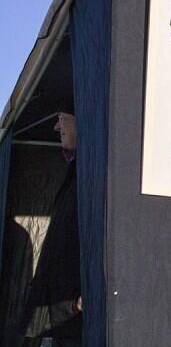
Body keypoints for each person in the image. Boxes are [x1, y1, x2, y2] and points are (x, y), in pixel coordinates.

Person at [20, 110, 82, 347]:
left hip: (73, 317)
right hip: (62, 316)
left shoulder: (92, 174)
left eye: (62, 118)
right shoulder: (75, 174)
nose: (57, 127)